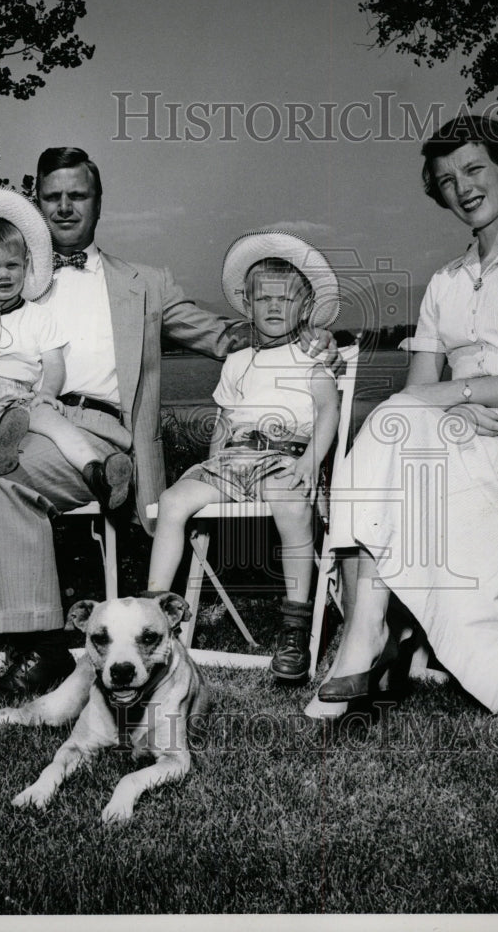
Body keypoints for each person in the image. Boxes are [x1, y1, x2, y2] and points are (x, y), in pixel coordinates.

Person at [0, 147, 336, 707]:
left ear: (98, 203)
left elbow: (229, 336)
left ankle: (39, 646)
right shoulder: (7, 272)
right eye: (52, 196)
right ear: (35, 202)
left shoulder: (145, 283)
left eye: (78, 195)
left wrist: (314, 335)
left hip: (91, 432)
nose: (65, 207)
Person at [304, 114, 498, 718]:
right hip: (458, 434)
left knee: (393, 427)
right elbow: (420, 393)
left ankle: (370, 637)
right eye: (446, 180)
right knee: (394, 425)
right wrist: (452, 415)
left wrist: (462, 397)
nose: (463, 187)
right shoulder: (446, 280)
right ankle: (369, 634)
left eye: (474, 169)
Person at [147, 232, 340, 683]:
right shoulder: (237, 361)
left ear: (305, 307)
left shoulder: (310, 359)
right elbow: (224, 422)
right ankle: (152, 611)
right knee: (173, 501)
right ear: (247, 306)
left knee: (292, 506)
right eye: (264, 299)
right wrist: (209, 468)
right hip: (232, 460)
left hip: (284, 456)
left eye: (287, 299)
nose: (274, 307)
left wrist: (311, 463)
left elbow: (329, 410)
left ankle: (294, 627)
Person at [0, 189, 132, 508]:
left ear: (26, 264)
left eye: (12, 265)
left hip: (23, 398)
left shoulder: (39, 317)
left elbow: (54, 364)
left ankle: (96, 474)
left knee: (58, 425)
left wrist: (47, 393)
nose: (4, 274)